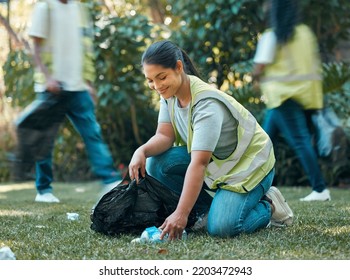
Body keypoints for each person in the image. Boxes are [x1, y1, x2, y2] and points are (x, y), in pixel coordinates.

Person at [128, 40, 293, 240]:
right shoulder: (169, 94)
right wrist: (141, 151)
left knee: (222, 228)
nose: (156, 86)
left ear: (179, 67)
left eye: (161, 77)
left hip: (249, 166)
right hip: (219, 162)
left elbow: (199, 163)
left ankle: (268, 204)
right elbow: (164, 136)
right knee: (157, 163)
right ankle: (206, 211)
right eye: (150, 80)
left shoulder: (206, 105)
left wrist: (181, 214)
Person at [16, 0, 121, 203]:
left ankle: (109, 180)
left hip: (78, 86)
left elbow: (86, 49)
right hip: (52, 88)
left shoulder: (79, 9)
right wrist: (47, 78)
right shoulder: (44, 7)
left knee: (92, 133)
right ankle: (44, 190)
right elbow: (35, 48)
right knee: (45, 140)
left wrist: (89, 83)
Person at [252, 0, 331, 201]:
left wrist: (255, 78)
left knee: (296, 141)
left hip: (282, 97)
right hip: (303, 95)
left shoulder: (272, 36)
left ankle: (320, 189)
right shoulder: (305, 33)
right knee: (263, 141)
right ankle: (253, 185)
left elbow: (259, 66)